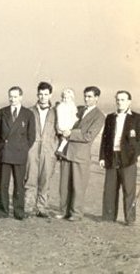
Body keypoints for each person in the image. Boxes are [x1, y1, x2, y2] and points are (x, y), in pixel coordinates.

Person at [57, 86, 105, 221]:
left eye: (89, 96)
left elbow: (89, 136)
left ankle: (76, 214)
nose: (86, 99)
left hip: (81, 155)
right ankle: (64, 211)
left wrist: (70, 133)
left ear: (96, 98)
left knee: (78, 185)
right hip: (67, 152)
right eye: (85, 96)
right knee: (64, 185)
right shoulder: (78, 109)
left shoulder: (99, 116)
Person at [0, 86, 36, 220]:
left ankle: (19, 212)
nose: (13, 99)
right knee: (3, 184)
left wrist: (23, 148)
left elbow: (31, 136)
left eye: (15, 96)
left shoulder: (28, 114)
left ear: (21, 97)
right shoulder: (1, 112)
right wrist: (1, 146)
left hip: (19, 154)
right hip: (4, 153)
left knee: (19, 185)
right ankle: (2, 211)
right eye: (10, 96)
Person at [99, 91, 138, 226]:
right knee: (110, 188)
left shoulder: (136, 118)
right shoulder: (110, 117)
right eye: (118, 100)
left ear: (129, 102)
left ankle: (129, 219)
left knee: (129, 189)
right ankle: (108, 217)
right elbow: (104, 139)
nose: (120, 102)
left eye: (123, 100)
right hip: (111, 157)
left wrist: (136, 155)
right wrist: (102, 157)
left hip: (128, 159)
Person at [25, 82, 59, 218]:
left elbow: (60, 131)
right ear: (37, 94)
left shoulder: (56, 112)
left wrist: (55, 148)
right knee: (30, 179)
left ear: (50, 95)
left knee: (45, 179)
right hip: (32, 150)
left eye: (46, 94)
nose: (43, 97)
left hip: (49, 151)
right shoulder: (29, 111)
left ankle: (42, 208)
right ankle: (28, 207)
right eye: (41, 94)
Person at [55, 88, 78, 159]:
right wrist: (62, 128)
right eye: (64, 98)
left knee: (68, 139)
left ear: (71, 98)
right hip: (63, 125)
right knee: (65, 138)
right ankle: (60, 150)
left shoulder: (73, 106)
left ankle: (62, 151)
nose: (65, 99)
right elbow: (60, 118)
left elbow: (74, 116)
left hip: (71, 125)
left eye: (67, 98)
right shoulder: (60, 107)